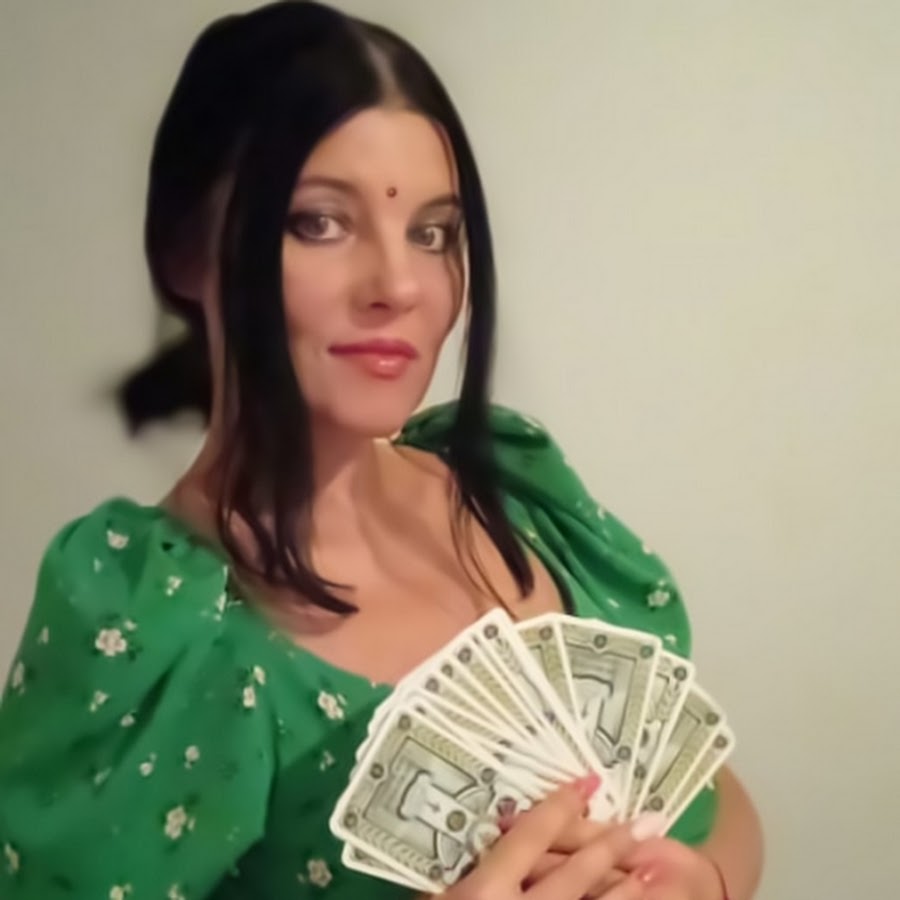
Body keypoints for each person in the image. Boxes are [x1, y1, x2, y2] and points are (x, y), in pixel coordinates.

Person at [0, 2, 763, 898]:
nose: (398, 285)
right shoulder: (153, 632)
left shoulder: (517, 494)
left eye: (431, 233)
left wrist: (707, 882)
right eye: (320, 223)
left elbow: (712, 796)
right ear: (183, 251)